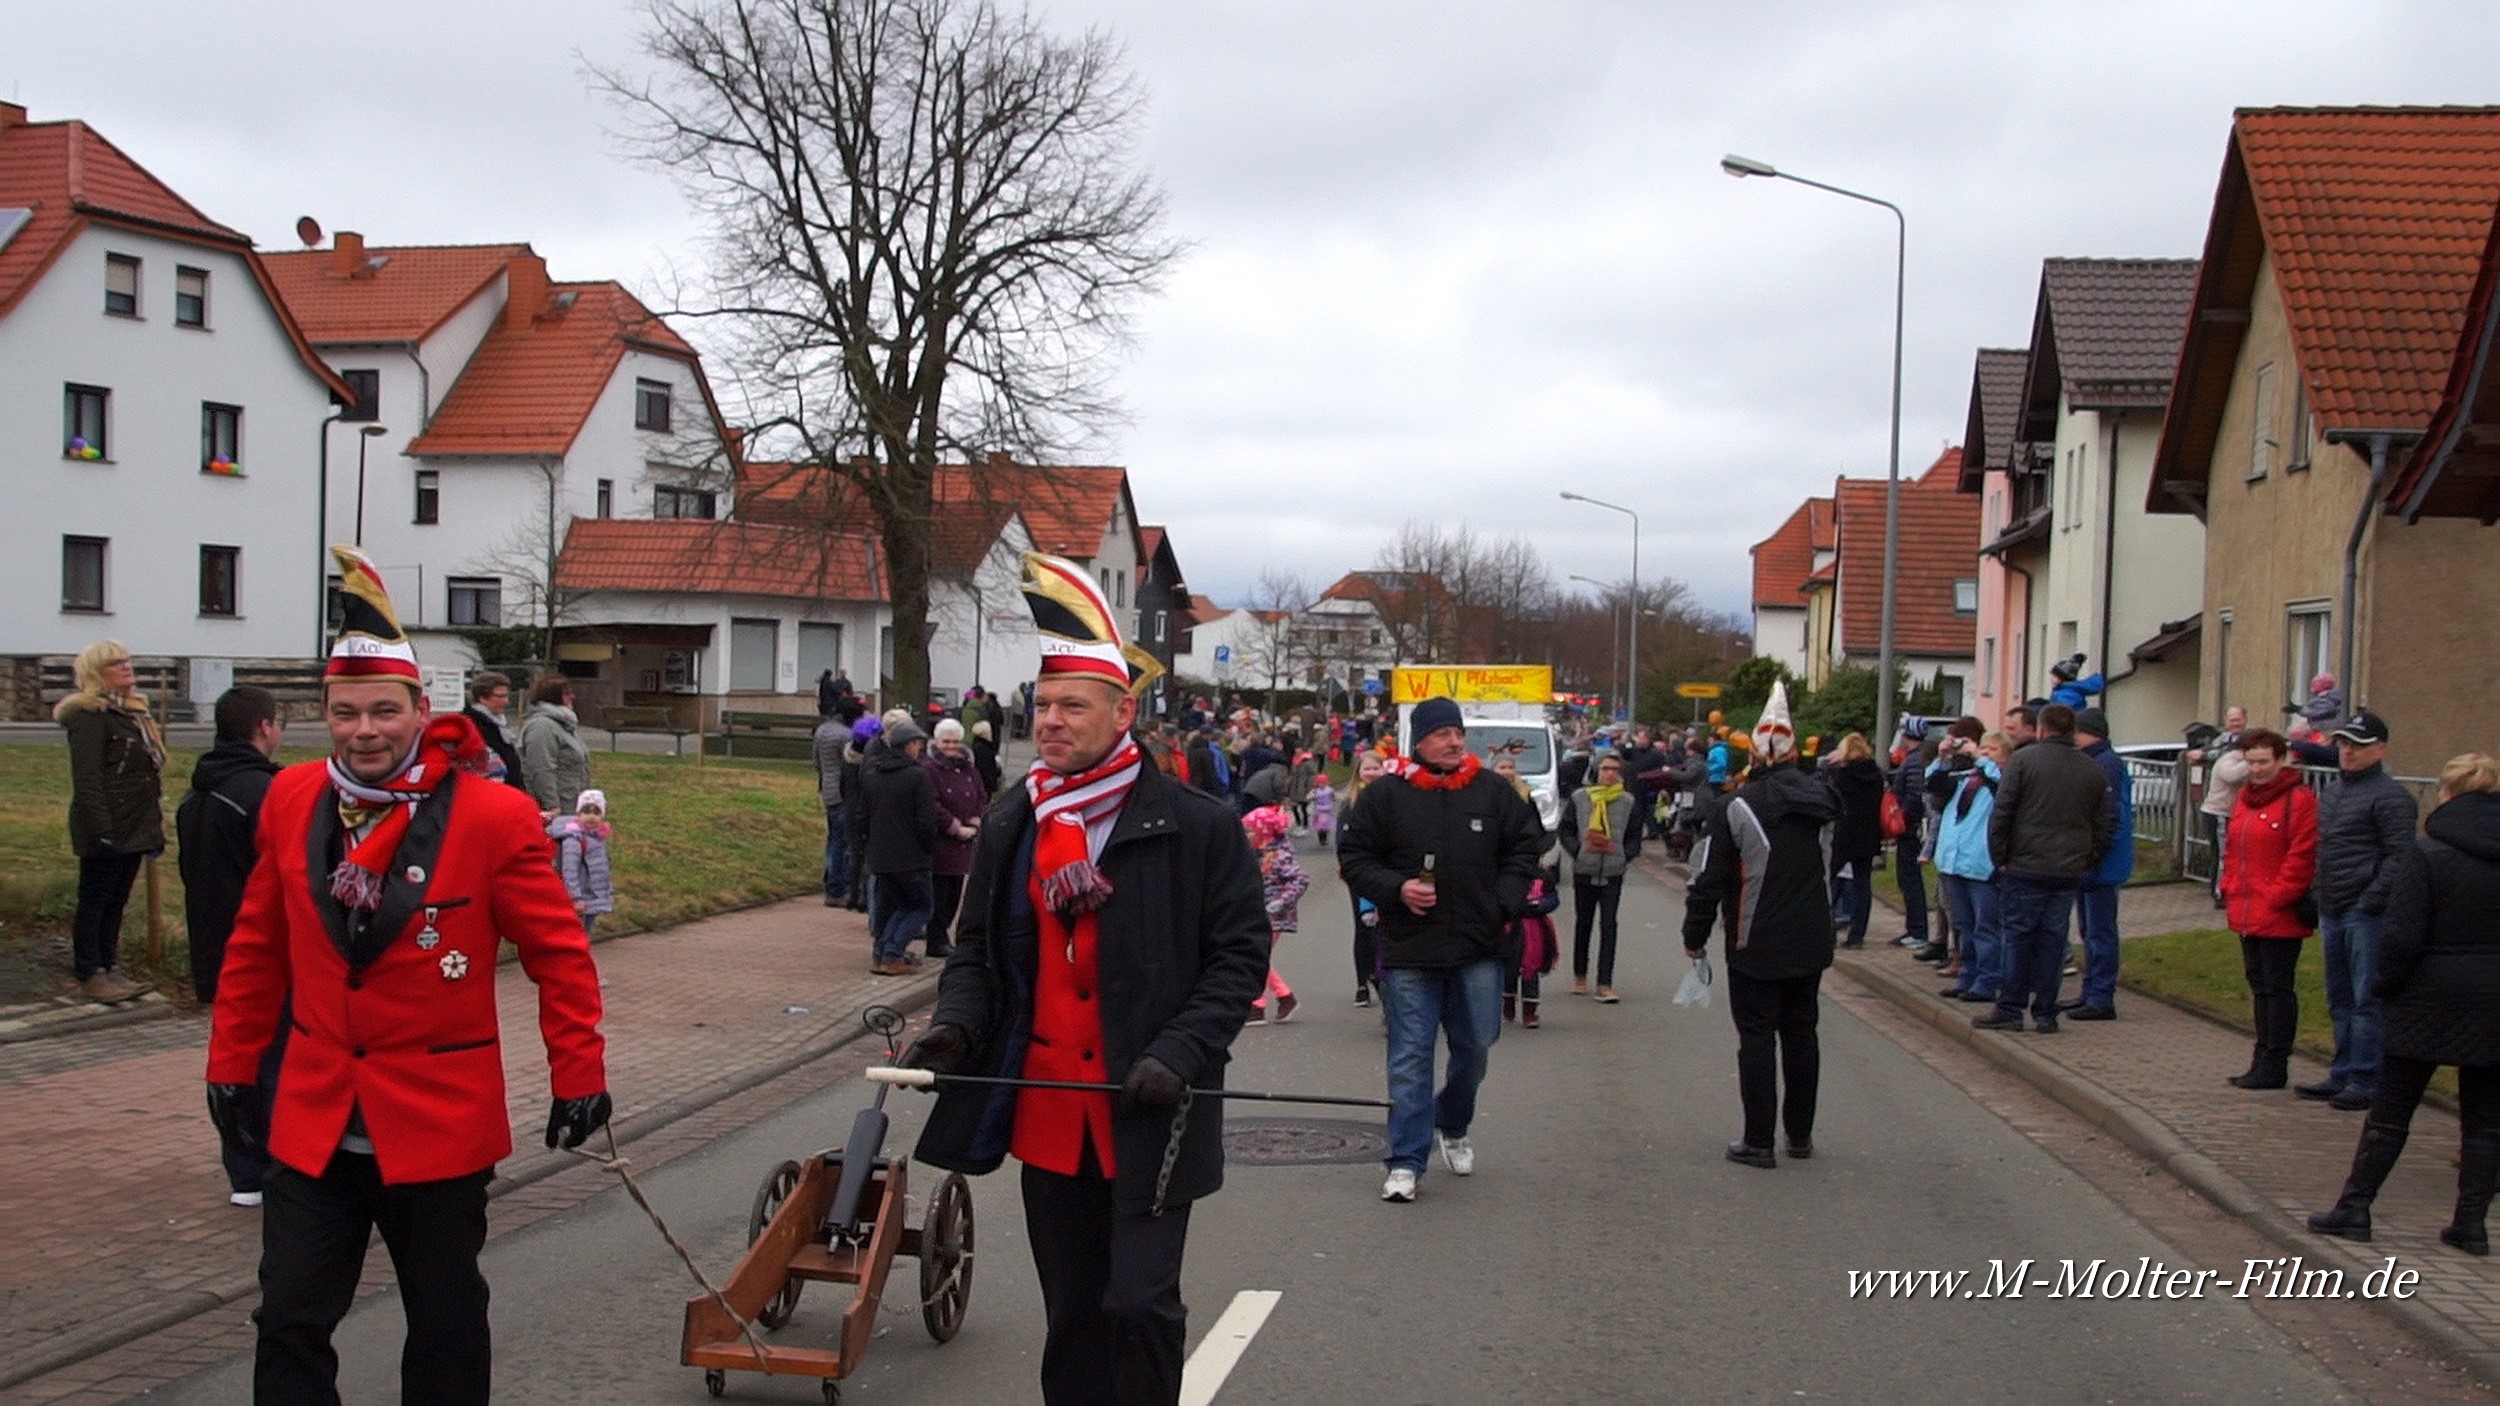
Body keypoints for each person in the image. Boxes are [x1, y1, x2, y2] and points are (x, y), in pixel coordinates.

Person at [205, 546, 608, 1404]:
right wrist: (233, 1066)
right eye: (345, 712)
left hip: (436, 1122)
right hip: (315, 1117)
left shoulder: (492, 816)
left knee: (446, 1322)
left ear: (421, 710)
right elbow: (256, 947)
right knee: (288, 1321)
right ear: (324, 714)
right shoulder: (290, 800)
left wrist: (580, 1076)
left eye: (384, 710)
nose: (365, 731)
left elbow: (558, 957)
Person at [901, 552, 1267, 1406]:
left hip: (1155, 1111)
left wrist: (1179, 1052)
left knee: (1137, 1303)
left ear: (1123, 712)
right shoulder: (1014, 822)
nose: (1052, 722)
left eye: (1073, 706)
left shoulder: (1198, 829)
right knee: (1072, 1312)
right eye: (1043, 706)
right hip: (1052, 1113)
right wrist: (956, 1026)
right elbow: (979, 956)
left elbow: (1238, 962)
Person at [1339, 695, 1544, 1202]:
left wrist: (1502, 903)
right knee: (1410, 1056)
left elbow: (1526, 848)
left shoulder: (1493, 791)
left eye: (1458, 733)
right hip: (1410, 946)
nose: (1454, 741)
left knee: (1475, 1047)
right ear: (1420, 743)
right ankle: (1406, 1160)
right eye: (1442, 734)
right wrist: (1396, 888)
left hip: (1478, 945)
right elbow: (1355, 856)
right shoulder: (1387, 796)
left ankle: (1452, 1123)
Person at [2308, 754, 2500, 1254]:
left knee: (2392, 1111)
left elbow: (2401, 935)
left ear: (2448, 794)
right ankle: (2471, 1224)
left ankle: (2355, 1207)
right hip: (2494, 999)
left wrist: (2384, 986)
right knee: (2484, 1121)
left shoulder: (2428, 854)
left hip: (2428, 991)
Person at [1682, 682, 1840, 1167]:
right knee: (1802, 1033)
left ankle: (1758, 1141)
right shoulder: (1825, 802)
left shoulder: (1735, 808)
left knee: (1756, 1038)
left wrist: (1694, 936)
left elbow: (1710, 880)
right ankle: (1799, 1136)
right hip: (1812, 937)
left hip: (1754, 939)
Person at [176, 684, 286, 1205]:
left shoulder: (197, 794)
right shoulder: (265, 794)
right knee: (273, 1057)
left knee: (234, 1055)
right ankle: (270, 1162)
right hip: (265, 950)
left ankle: (243, 1167)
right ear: (265, 728)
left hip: (214, 943)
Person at [2300, 711, 2422, 1111]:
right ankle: (2343, 1070)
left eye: (2358, 745)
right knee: (2339, 997)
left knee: (2367, 996)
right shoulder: (2334, 793)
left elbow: (2399, 857)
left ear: (2380, 750)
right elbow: (2326, 850)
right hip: (2333, 906)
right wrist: (2318, 892)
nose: (2348, 752)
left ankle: (2366, 1077)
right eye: (2344, 744)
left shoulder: (2391, 798)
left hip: (2365, 911)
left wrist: (2371, 899)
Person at [1976, 703, 2116, 1036]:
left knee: (2018, 938)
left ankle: (2011, 1006)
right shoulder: (2091, 769)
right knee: (2052, 941)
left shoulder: (2024, 761)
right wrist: (2088, 858)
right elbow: (2105, 821)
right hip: (2067, 869)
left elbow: (2003, 813)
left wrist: (2001, 858)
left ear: (2041, 729)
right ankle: (2046, 1011)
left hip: (2025, 866)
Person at [55, 637, 163, 1003]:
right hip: (106, 822)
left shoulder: (133, 713)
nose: (126, 667)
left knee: (118, 897)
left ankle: (110, 965)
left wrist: (153, 829)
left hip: (134, 821)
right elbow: (87, 779)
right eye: (116, 663)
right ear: (97, 673)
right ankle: (90, 971)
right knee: (96, 897)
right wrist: (101, 829)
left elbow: (145, 777)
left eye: (127, 660)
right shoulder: (89, 716)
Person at [2220, 730, 2318, 1089]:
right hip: (2248, 907)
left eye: (2263, 761)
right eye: (2251, 761)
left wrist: (2277, 896)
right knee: (2259, 986)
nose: (2257, 769)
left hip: (2278, 909)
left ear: (2281, 760)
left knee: (2278, 987)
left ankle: (2275, 1062)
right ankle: (2261, 1057)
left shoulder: (2299, 799)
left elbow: (2301, 853)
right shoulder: (2246, 798)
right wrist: (2230, 886)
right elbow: (2234, 849)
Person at [861, 718, 953, 976]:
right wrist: (927, 846)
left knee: (890, 906)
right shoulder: (917, 776)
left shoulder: (872, 775)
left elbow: (862, 816)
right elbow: (926, 820)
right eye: (916, 743)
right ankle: (891, 953)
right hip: (911, 857)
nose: (919, 748)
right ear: (909, 745)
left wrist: (867, 846)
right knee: (921, 907)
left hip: (880, 855)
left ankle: (882, 953)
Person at [2064, 707, 2134, 1022]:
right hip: (2092, 859)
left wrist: (2094, 857)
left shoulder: (2106, 764)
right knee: (2089, 929)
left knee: (2100, 930)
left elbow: (2109, 816)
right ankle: (2090, 991)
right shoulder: (2097, 762)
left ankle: (2101, 996)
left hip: (2101, 863)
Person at [1932, 730, 2007, 1005]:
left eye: (1992, 750)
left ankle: (1987, 980)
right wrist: (1944, 758)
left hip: (1980, 865)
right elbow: (1933, 787)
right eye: (1983, 748)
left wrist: (1980, 759)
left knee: (1985, 927)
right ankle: (1967, 976)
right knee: (1963, 926)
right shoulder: (1966, 780)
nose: (1984, 753)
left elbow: (2000, 783)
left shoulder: (1999, 781)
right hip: (1954, 863)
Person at [1560, 752, 1637, 1002]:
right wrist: (1578, 852)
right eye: (1605, 769)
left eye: (1614, 769)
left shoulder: (1627, 801)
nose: (1609, 773)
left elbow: (1635, 835)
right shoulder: (1580, 798)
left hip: (1613, 872)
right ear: (1596, 771)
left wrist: (1625, 855)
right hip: (1585, 869)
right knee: (1583, 923)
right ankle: (1580, 975)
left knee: (1609, 925)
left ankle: (1605, 982)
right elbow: (1566, 829)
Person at [925, 717, 990, 959]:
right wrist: (954, 826)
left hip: (964, 842)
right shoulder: (929, 769)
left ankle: (944, 936)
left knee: (954, 895)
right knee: (939, 895)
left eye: (955, 742)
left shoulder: (968, 769)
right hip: (941, 843)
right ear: (937, 742)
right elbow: (932, 804)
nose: (951, 747)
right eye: (946, 742)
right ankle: (936, 938)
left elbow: (981, 796)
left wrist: (976, 820)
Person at [1245, 805, 1307, 1024]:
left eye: (1250, 830)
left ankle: (1257, 1005)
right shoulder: (1257, 854)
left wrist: (1279, 902)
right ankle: (1284, 997)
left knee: (1256, 956)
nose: (1247, 835)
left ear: (1263, 832)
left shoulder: (1280, 856)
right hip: (1258, 912)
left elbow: (1300, 880)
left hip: (1274, 915)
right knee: (1257, 956)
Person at [1823, 733, 1884, 949]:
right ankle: (1857, 936)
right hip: (1867, 835)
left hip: (1844, 834)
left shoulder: (1842, 774)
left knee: (1827, 880)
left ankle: (1826, 929)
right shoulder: (1875, 774)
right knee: (1862, 885)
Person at [2189, 707, 2251, 906]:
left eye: (2238, 719)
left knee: (2227, 852)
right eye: (2231, 719)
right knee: (2223, 852)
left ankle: (2224, 888)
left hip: (2227, 811)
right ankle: (2219, 892)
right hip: (2218, 812)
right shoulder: (2228, 760)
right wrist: (2253, 763)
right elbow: (2233, 776)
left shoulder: (2234, 756)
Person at [1344, 750, 1388, 1006]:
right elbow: (1344, 839)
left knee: (1382, 927)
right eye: (1367, 769)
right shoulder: (1351, 803)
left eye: (1375, 768)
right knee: (1363, 927)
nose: (1371, 773)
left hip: (1384, 871)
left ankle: (1381, 975)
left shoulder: (1390, 797)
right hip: (1359, 873)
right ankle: (1363, 981)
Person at [516, 676, 591, 816]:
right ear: (553, 697)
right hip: (558, 808)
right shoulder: (542, 726)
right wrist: (551, 805)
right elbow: (541, 768)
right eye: (567, 694)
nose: (572, 697)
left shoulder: (563, 724)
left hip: (572, 802)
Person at [1888, 737, 1933, 954]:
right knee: (1907, 879)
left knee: (1910, 879)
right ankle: (1914, 929)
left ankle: (1918, 931)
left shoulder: (1914, 761)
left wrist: (1901, 819)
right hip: (1910, 828)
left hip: (1910, 829)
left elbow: (1914, 796)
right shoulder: (1916, 759)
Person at [550, 790, 616, 935]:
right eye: (586, 811)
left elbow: (602, 868)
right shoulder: (573, 839)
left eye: (596, 812)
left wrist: (607, 890)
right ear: (579, 813)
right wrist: (575, 897)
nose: (591, 817)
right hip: (580, 896)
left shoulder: (598, 838)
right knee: (575, 932)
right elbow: (569, 870)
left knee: (585, 933)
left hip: (592, 895)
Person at [813, 697, 854, 907]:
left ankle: (830, 882)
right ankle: (837, 889)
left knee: (832, 840)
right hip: (843, 791)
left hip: (827, 789)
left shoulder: (822, 731)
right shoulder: (846, 735)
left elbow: (816, 762)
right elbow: (851, 763)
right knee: (842, 842)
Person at [458, 671, 526, 791]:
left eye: (507, 696)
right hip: (489, 792)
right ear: (482, 698)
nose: (506, 701)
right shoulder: (472, 726)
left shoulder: (498, 723)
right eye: (500, 696)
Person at [970, 718, 1004, 796]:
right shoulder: (983, 748)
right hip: (985, 783)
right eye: (989, 731)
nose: (991, 733)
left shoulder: (982, 745)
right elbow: (985, 767)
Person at [1309, 773, 1338, 849]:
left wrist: (1333, 799)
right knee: (1319, 825)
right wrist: (1313, 797)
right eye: (1319, 783)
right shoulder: (1315, 791)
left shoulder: (1330, 790)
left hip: (1327, 809)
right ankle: (1321, 838)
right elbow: (1311, 798)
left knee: (1325, 825)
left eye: (1323, 783)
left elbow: (1333, 797)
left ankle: (1324, 837)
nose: (1321, 785)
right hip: (1318, 810)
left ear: (1326, 783)